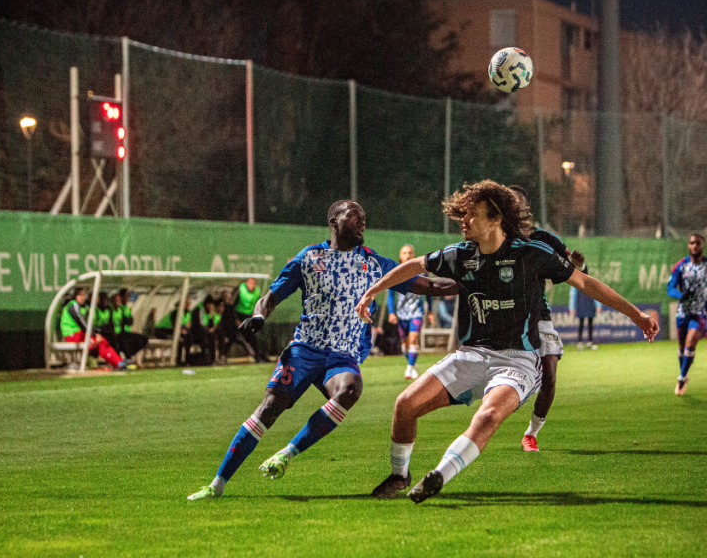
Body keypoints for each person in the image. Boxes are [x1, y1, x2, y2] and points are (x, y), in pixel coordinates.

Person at [356, 180, 658, 503]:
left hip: (518, 360)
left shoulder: (532, 253)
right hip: (472, 355)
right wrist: (374, 290)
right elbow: (416, 266)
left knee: (487, 417)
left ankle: (438, 476)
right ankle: (400, 477)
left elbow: (584, 282)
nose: (464, 220)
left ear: (495, 220)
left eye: (472, 214)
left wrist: (636, 315)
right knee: (405, 405)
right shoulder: (460, 255)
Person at [187, 200, 456, 501]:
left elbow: (430, 286)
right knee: (270, 407)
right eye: (354, 216)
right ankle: (218, 484)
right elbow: (271, 296)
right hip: (305, 349)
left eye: (364, 217)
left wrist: (468, 281)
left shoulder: (374, 263)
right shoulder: (309, 257)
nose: (361, 221)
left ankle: (286, 454)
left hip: (342, 355)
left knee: (351, 389)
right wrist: (260, 316)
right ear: (333, 221)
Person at [507, 185, 586, 453]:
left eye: (516, 201)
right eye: (507, 200)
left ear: (526, 208)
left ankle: (531, 434)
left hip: (538, 315)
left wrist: (578, 264)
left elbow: (573, 270)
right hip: (503, 318)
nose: (511, 205)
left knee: (550, 374)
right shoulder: (490, 237)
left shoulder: (542, 239)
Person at [667, 233, 707, 395]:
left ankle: (682, 377)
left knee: (690, 343)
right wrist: (681, 296)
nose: (695, 246)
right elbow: (670, 288)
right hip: (683, 312)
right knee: (682, 346)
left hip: (701, 312)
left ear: (702, 245)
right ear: (688, 246)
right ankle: (684, 372)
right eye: (692, 243)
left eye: (698, 243)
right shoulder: (681, 265)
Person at [388, 244, 434, 380]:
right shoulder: (395, 272)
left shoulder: (422, 272)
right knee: (405, 344)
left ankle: (409, 369)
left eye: (410, 252)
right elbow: (391, 295)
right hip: (402, 313)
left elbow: (428, 293)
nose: (407, 255)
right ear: (400, 256)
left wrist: (430, 311)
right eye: (404, 253)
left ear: (414, 255)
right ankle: (412, 365)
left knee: (414, 339)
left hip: (416, 311)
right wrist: (391, 313)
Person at [61, 287, 128, 370]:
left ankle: (117, 362)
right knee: (99, 342)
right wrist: (93, 334)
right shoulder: (73, 304)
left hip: (79, 335)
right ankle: (117, 363)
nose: (82, 297)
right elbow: (81, 322)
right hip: (72, 335)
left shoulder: (81, 306)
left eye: (83, 295)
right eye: (80, 295)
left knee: (102, 341)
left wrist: (94, 333)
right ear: (74, 296)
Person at [112, 289, 148, 361]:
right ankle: (126, 360)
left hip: (126, 333)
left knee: (143, 339)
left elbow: (130, 322)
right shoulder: (117, 308)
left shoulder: (127, 309)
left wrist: (127, 319)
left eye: (128, 296)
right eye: (125, 296)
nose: (127, 298)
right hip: (119, 334)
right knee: (123, 342)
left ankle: (130, 355)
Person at [236, 278, 265, 362]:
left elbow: (260, 305)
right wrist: (236, 320)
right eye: (250, 283)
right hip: (240, 316)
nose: (252, 285)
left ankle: (258, 357)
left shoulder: (257, 291)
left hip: (250, 316)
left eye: (253, 283)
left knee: (255, 337)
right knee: (234, 337)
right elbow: (234, 305)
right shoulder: (241, 290)